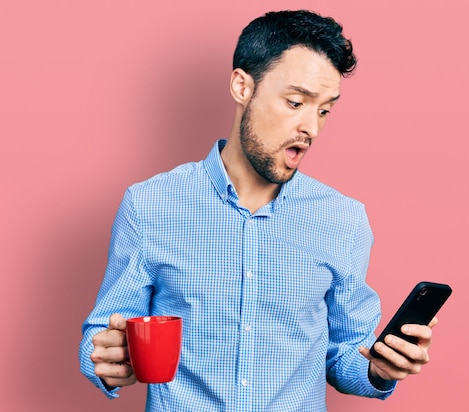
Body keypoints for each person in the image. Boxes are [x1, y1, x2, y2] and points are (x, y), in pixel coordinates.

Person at [79, 9, 437, 411]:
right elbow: (105, 330)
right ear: (241, 87)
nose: (312, 129)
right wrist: (105, 359)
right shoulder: (149, 205)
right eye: (296, 102)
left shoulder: (344, 220)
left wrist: (379, 369)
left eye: (324, 110)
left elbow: (345, 353)